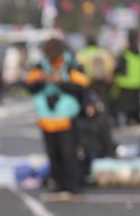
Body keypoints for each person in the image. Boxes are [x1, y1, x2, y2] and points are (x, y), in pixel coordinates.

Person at [24, 37, 89, 200]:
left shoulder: (71, 64)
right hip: (46, 118)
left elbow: (82, 86)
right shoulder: (40, 66)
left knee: (69, 154)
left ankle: (74, 187)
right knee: (53, 154)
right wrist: (41, 79)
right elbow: (28, 86)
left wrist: (61, 82)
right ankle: (59, 185)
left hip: (66, 117)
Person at [114, 31, 140, 127]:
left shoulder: (125, 54)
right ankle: (137, 119)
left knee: (126, 104)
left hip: (126, 82)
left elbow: (118, 68)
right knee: (137, 102)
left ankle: (129, 120)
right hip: (138, 82)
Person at [76, 35, 115, 116]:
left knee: (89, 102)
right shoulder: (103, 52)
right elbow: (111, 66)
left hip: (87, 82)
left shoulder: (82, 53)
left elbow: (77, 67)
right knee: (103, 101)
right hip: (102, 82)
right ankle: (104, 117)